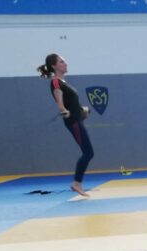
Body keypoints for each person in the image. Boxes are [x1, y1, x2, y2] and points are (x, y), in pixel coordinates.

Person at [37, 54, 93, 197]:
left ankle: (77, 183)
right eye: (62, 61)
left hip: (77, 119)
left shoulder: (64, 82)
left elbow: (72, 103)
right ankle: (76, 183)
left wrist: (82, 110)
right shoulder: (56, 82)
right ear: (54, 66)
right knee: (88, 152)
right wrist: (63, 110)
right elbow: (58, 97)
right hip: (73, 121)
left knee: (88, 152)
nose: (65, 63)